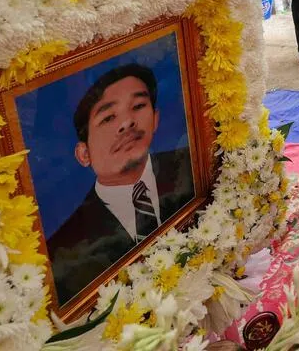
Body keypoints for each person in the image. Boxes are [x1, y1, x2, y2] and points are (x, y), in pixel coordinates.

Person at [47, 64, 194, 302]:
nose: (127, 123)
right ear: (84, 153)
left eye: (138, 106)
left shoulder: (192, 165)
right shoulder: (64, 248)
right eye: (108, 118)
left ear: (155, 119)